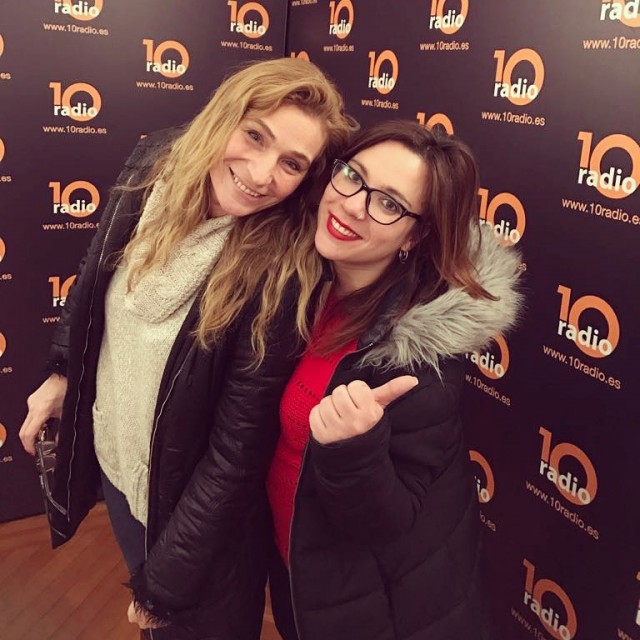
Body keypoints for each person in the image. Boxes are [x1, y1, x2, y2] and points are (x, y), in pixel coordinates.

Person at [18, 57, 356, 639]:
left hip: (193, 523)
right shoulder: (154, 165)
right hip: (118, 468)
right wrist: (61, 372)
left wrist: (167, 583)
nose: (260, 174)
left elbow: (236, 454)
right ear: (223, 117)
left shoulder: (278, 274)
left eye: (291, 164)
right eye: (255, 136)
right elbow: (96, 277)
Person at [265, 120, 523, 640]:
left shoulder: (419, 360)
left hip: (374, 608)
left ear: (416, 234)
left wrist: (352, 448)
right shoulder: (307, 285)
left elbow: (390, 520)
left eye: (388, 203)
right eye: (352, 176)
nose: (352, 205)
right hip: (297, 569)